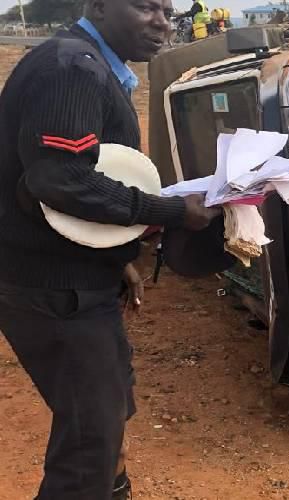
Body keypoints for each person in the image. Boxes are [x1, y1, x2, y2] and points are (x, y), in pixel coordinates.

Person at [0, 0, 220, 497]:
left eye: (168, 10)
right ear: (98, 7)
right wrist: (169, 211)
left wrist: (115, 257)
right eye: (145, 7)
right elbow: (60, 180)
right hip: (53, 290)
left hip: (75, 276)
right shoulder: (71, 68)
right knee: (88, 448)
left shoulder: (91, 65)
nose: (163, 22)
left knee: (108, 416)